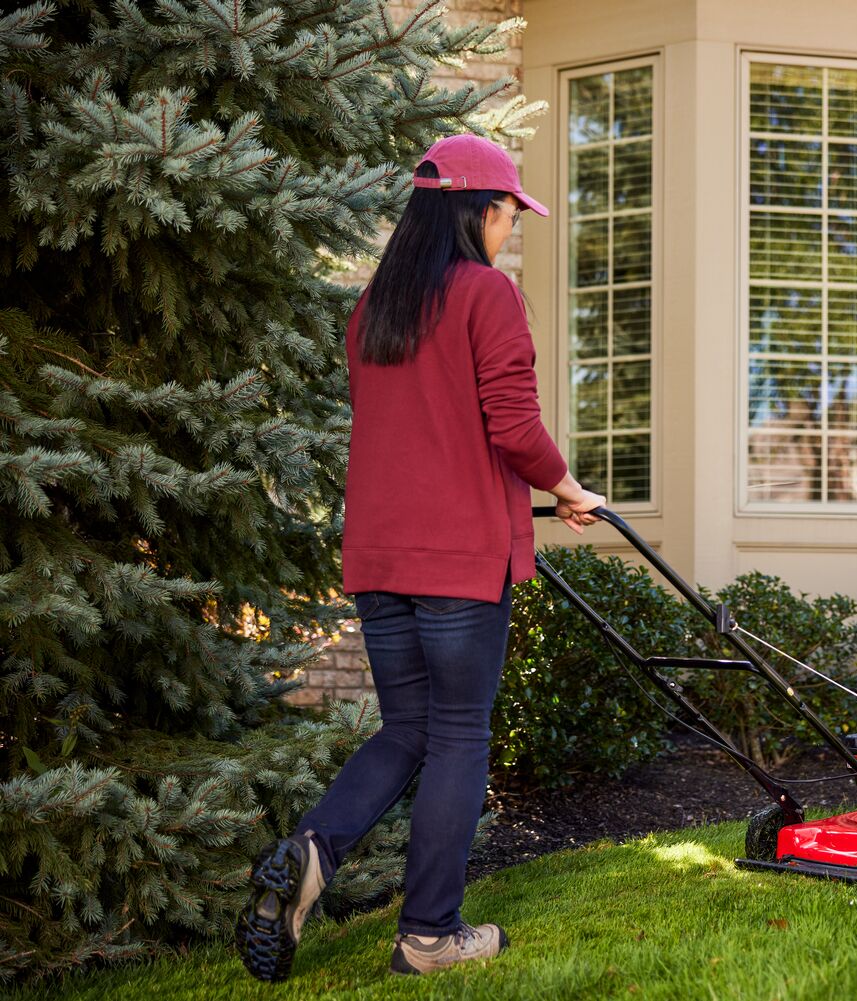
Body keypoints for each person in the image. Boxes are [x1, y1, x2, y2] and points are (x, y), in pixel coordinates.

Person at [233, 133, 605, 982]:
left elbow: (421, 434)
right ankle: (429, 934)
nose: (512, 228)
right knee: (458, 737)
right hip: (459, 564)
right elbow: (508, 426)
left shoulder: (376, 308)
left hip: (379, 555)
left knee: (407, 729)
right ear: (477, 208)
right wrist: (567, 486)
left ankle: (310, 854)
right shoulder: (487, 296)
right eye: (510, 212)